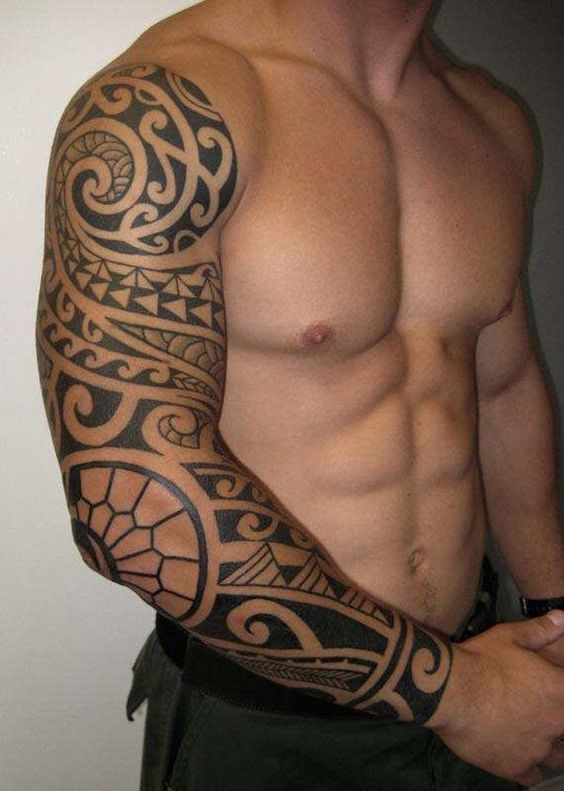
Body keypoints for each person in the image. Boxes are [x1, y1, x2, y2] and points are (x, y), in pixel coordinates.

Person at [35, 0, 564, 789]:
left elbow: (503, 389)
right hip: (273, 725)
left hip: (482, 684)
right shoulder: (167, 111)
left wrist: (553, 614)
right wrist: (460, 694)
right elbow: (126, 501)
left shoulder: (493, 120)